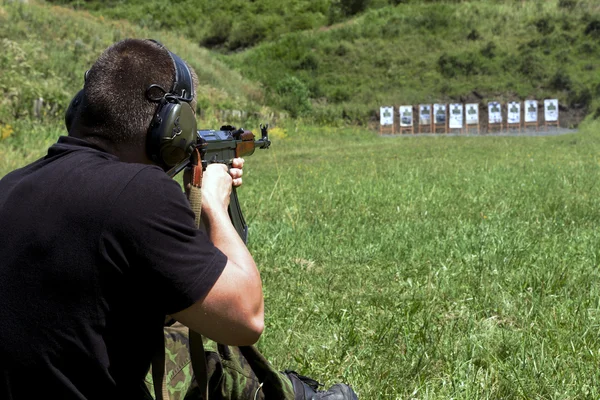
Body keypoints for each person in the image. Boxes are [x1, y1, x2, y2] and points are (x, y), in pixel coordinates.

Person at [0, 38, 358, 400]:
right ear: (172, 126)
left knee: (175, 327)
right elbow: (246, 318)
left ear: (80, 107)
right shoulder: (141, 192)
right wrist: (214, 204)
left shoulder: (10, 187)